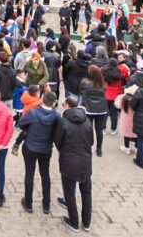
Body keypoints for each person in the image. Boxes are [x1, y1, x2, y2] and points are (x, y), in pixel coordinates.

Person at [54, 96, 94, 233]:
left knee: (69, 192)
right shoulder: (87, 121)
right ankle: (87, 222)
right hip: (86, 161)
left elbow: (58, 141)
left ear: (67, 106)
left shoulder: (63, 122)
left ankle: (74, 221)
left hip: (69, 162)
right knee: (87, 192)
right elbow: (91, 141)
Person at [17, 91, 60, 214]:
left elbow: (21, 124)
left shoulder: (33, 113)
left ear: (42, 99)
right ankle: (46, 205)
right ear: (54, 103)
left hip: (30, 147)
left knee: (29, 174)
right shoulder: (56, 116)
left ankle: (28, 203)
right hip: (46, 149)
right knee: (45, 175)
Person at [80, 65, 108, 157]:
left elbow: (81, 90)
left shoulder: (85, 82)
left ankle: (88, 147)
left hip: (89, 109)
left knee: (89, 129)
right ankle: (99, 149)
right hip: (101, 109)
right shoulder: (103, 83)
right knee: (99, 130)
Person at [115, 85, 138, 155]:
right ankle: (136, 148)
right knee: (136, 133)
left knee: (126, 133)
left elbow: (117, 105)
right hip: (135, 118)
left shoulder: (123, 97)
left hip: (125, 119)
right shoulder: (137, 99)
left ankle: (126, 147)